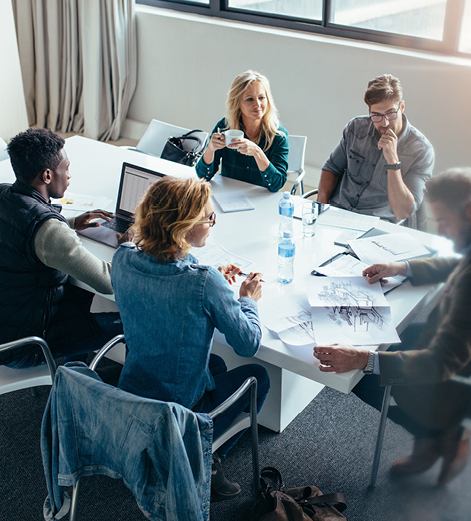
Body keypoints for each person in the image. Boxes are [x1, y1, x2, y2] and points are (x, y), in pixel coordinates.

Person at [313, 168, 471, 485]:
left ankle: (438, 434)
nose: (441, 232)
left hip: (464, 377)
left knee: (359, 378)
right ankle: (434, 435)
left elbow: (441, 362)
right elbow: (462, 262)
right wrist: (401, 267)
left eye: (444, 221)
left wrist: (362, 360)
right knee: (388, 337)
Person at [111, 176, 270, 501]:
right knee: (259, 376)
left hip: (133, 393)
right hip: (179, 407)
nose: (213, 222)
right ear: (182, 226)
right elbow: (248, 343)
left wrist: (204, 272)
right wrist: (247, 300)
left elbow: (165, 270)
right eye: (208, 217)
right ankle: (204, 459)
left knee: (216, 364)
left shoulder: (123, 257)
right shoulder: (203, 283)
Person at [0, 128, 132, 368]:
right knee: (132, 323)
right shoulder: (48, 231)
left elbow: (21, 229)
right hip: (24, 345)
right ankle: (82, 385)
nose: (70, 175)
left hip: (9, 320)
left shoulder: (3, 193)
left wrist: (69, 223)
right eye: (66, 168)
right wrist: (127, 248)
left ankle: (75, 369)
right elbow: (108, 282)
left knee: (80, 289)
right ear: (48, 175)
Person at [317, 74, 434, 227]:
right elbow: (331, 168)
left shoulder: (421, 150)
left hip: (375, 227)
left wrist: (393, 161)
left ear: (402, 107)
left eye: (391, 113)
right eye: (376, 115)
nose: (384, 123)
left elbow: (402, 212)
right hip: (337, 214)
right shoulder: (356, 128)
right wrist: (321, 209)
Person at [196, 70, 289, 192]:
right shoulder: (224, 127)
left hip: (260, 199)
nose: (258, 104)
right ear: (237, 103)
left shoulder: (279, 136)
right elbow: (203, 177)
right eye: (250, 99)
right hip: (227, 196)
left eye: (261, 97)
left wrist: (257, 152)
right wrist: (210, 149)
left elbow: (277, 184)